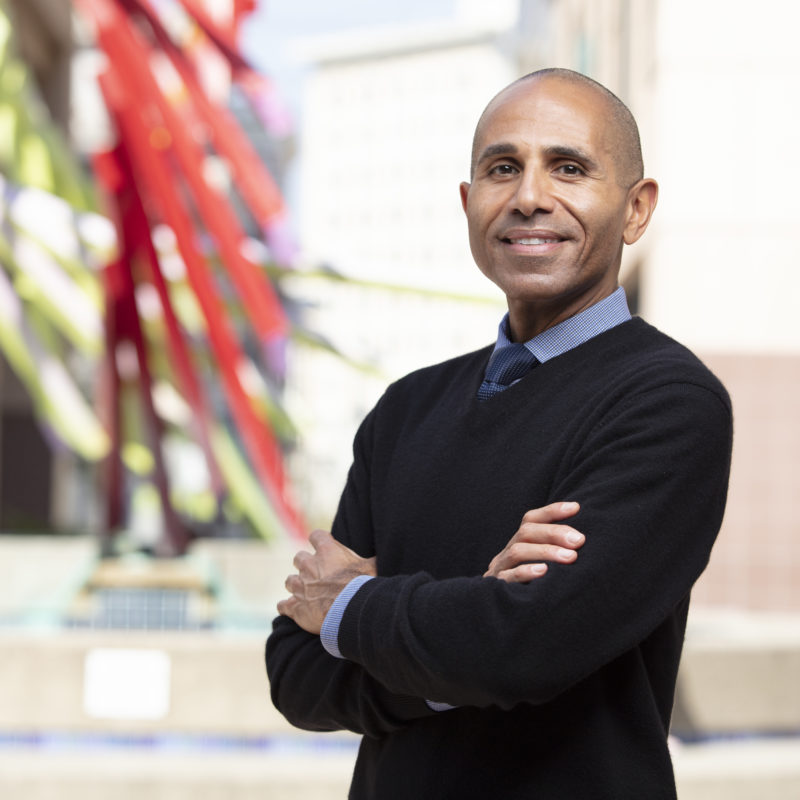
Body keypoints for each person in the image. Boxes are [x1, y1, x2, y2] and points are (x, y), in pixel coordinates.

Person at [266, 68, 733, 799]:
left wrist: (357, 609)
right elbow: (297, 677)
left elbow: (527, 647)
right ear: (469, 202)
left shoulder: (665, 402)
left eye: (570, 168)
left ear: (636, 210)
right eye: (502, 168)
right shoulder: (405, 410)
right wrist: (467, 631)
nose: (529, 197)